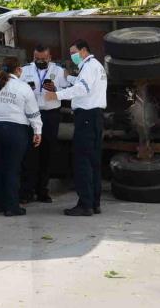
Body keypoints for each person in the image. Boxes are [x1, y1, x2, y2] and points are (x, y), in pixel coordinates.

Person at [45, 39, 107, 217]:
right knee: (93, 162)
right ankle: (94, 203)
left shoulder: (88, 67)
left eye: (74, 52)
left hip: (86, 118)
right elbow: (84, 83)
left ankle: (85, 204)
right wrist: (68, 77)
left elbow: (82, 88)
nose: (72, 56)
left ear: (84, 51)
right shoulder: (96, 66)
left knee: (82, 162)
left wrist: (57, 94)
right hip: (95, 118)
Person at [0, 56, 43, 217]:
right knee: (13, 169)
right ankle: (12, 207)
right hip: (16, 131)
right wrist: (37, 131)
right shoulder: (23, 87)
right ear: (18, 70)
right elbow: (32, 112)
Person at [19, 44, 69, 204]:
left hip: (50, 115)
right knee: (29, 153)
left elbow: (68, 91)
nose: (40, 61)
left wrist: (56, 89)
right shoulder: (25, 70)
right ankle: (27, 191)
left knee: (47, 153)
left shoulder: (59, 71)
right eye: (37, 59)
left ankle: (42, 190)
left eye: (43, 59)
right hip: (30, 115)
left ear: (50, 57)